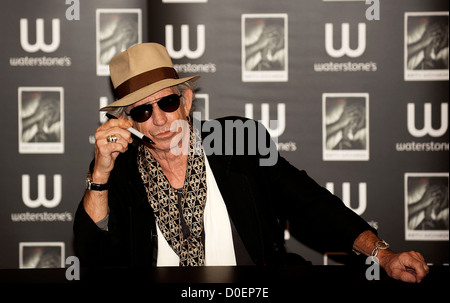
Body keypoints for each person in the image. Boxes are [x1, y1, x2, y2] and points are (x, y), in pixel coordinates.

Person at [73, 42, 429, 283]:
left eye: (166, 103)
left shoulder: (237, 141)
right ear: (129, 121)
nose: (160, 120)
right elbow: (93, 256)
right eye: (142, 110)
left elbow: (309, 202)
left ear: (186, 100)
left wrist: (382, 255)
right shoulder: (119, 171)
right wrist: (100, 173)